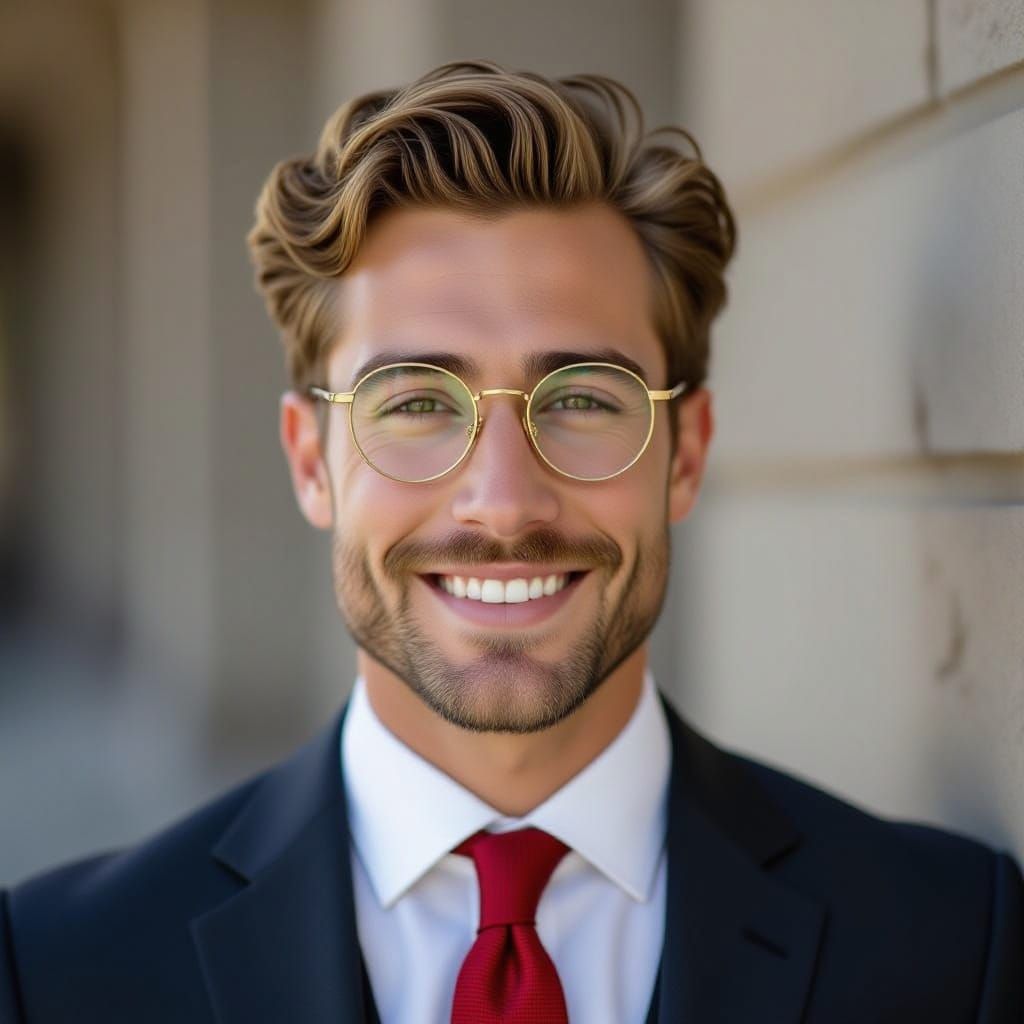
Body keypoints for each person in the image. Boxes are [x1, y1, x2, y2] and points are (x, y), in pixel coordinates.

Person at [1, 59, 1020, 1024]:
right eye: (415, 402)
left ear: (685, 452)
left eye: (581, 397)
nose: (503, 503)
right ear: (311, 460)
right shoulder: (56, 973)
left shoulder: (951, 945)